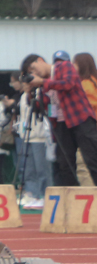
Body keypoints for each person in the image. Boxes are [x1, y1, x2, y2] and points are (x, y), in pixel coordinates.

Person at [22, 52, 97, 188]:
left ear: (40, 60)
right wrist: (30, 92)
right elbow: (41, 106)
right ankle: (73, 199)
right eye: (30, 72)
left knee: (92, 159)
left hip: (80, 118)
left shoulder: (63, 66)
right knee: (65, 164)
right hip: (61, 124)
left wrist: (43, 82)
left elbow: (68, 83)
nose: (34, 73)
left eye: (33, 69)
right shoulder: (43, 84)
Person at [13, 81, 52, 209]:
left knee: (41, 168)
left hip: (39, 137)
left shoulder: (40, 94)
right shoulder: (23, 96)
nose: (24, 84)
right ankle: (32, 195)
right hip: (25, 136)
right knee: (28, 169)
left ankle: (44, 195)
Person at [71, 52, 97, 188]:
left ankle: (90, 197)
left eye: (74, 63)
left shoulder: (85, 84)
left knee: (84, 165)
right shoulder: (94, 81)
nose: (72, 66)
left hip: (88, 129)